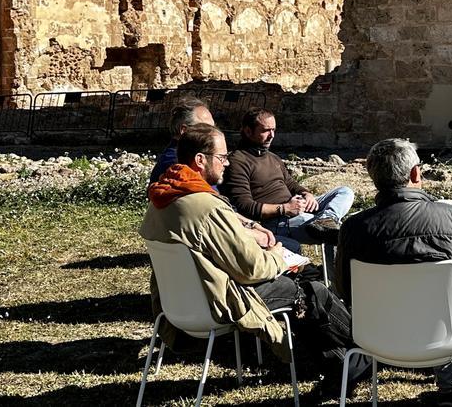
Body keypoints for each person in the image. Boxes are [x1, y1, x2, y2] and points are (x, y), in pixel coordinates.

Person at [139, 123, 370, 385]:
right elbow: (251, 269)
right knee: (311, 291)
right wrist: (276, 253)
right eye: (222, 157)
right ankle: (364, 348)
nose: (226, 163)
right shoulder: (204, 206)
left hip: (182, 303)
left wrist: (248, 228)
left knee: (305, 286)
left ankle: (341, 368)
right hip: (219, 300)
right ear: (201, 160)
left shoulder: (163, 198)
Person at [336, 138, 452, 406]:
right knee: (449, 306)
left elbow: (344, 290)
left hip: (376, 336)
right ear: (415, 173)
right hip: (448, 335)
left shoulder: (353, 229)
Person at [223, 109, 354, 250]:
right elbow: (245, 206)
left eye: (274, 130)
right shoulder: (238, 161)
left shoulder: (273, 157)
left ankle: (325, 219)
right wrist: (285, 209)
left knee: (345, 192)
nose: (271, 136)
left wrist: (307, 194)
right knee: (338, 233)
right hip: (278, 221)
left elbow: (291, 183)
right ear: (248, 131)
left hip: (297, 207)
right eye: (266, 131)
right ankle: (324, 227)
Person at [148, 97, 214, 185]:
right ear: (184, 131)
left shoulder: (187, 156)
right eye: (205, 128)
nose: (213, 134)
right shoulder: (177, 162)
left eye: (213, 128)